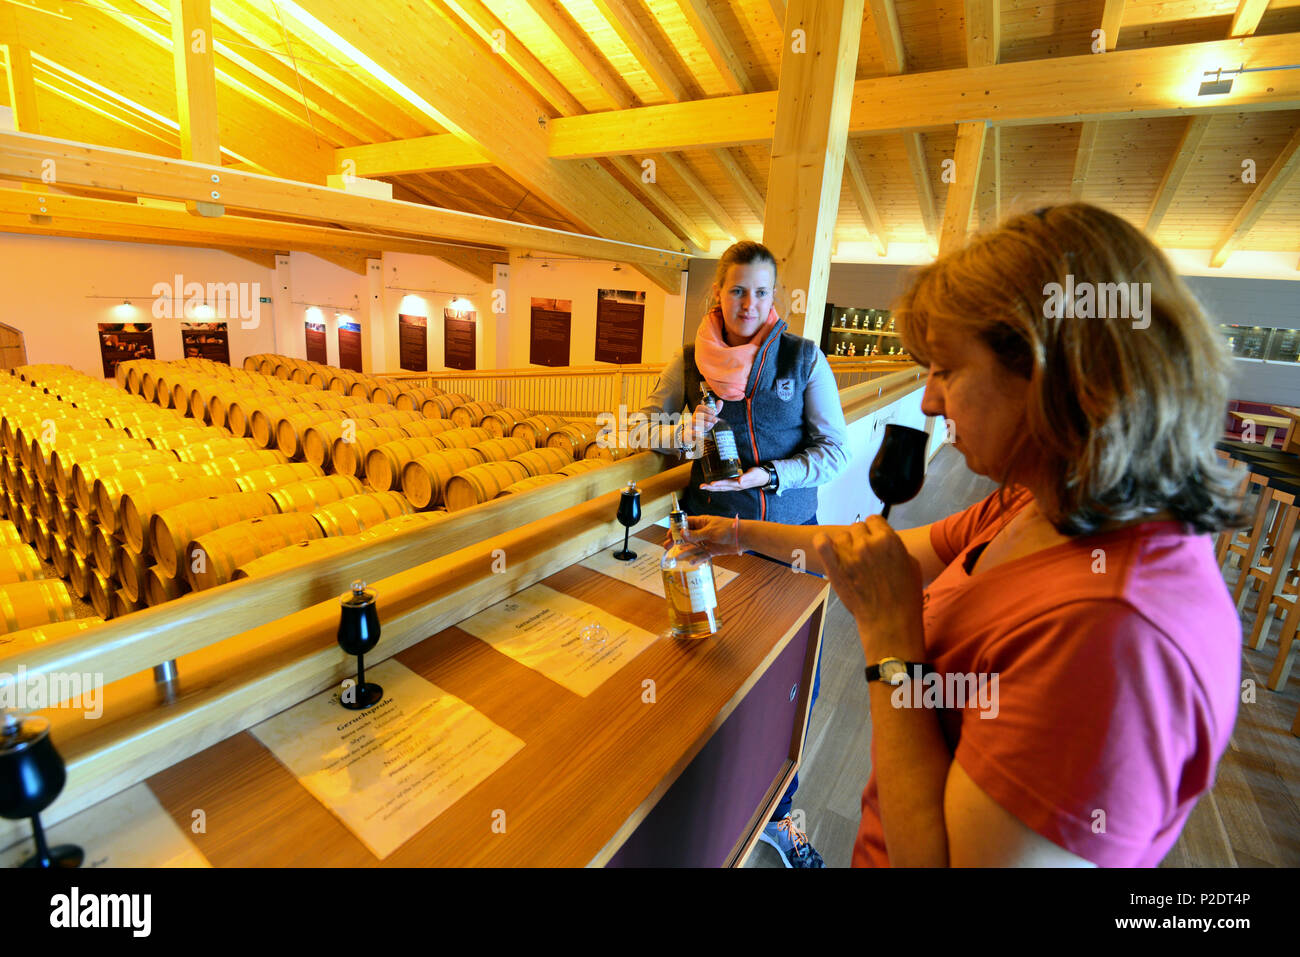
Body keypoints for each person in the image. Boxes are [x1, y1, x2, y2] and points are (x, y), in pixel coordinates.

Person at [680, 204, 1244, 866]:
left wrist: (891, 639)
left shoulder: (1118, 637)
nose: (928, 400)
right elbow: (877, 553)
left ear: (1048, 371)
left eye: (946, 368)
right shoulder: (1036, 501)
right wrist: (736, 533)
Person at [637, 240, 849, 867]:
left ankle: (783, 820)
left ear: (774, 298)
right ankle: (715, 813)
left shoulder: (804, 359)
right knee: (710, 675)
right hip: (707, 545)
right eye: (737, 291)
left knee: (792, 687)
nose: (748, 304)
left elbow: (832, 453)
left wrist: (770, 477)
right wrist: (681, 433)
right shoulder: (686, 361)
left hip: (787, 548)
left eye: (760, 292)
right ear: (717, 295)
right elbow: (640, 428)